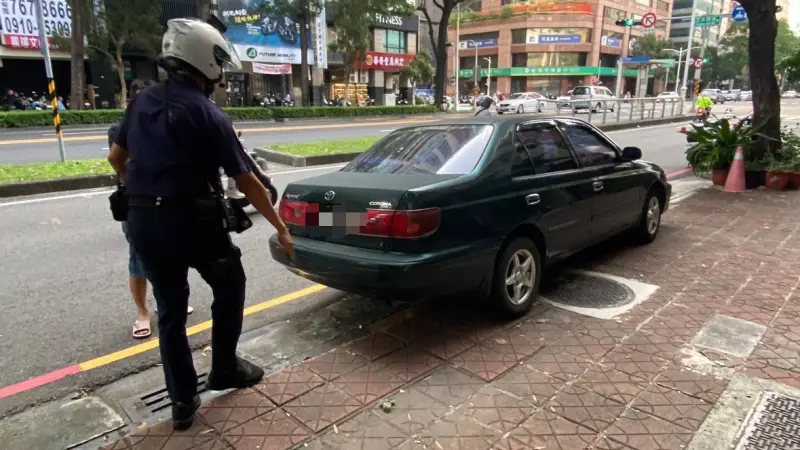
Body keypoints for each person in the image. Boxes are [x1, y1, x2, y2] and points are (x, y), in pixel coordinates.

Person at [107, 17, 294, 430]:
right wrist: (280, 227)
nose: (222, 73)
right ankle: (224, 367)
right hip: (193, 224)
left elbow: (116, 160)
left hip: (143, 223)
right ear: (204, 61)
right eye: (219, 63)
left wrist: (142, 188)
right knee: (230, 284)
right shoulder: (209, 114)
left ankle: (182, 400)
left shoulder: (140, 102)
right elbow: (249, 181)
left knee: (170, 310)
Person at [109, 80, 194, 340]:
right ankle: (143, 312)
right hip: (139, 206)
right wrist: (130, 181)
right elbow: (117, 159)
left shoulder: (164, 125)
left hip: (167, 203)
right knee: (139, 262)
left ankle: (165, 301)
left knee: (169, 259)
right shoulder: (123, 128)